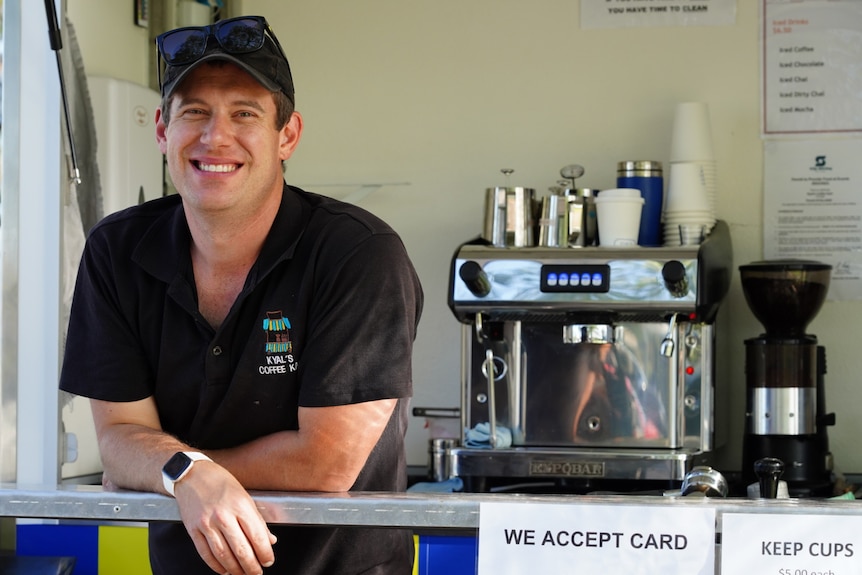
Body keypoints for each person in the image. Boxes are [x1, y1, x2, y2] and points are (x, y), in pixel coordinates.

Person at [59, 15, 423, 575]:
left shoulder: (358, 254)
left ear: (288, 136)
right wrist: (185, 474)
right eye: (195, 112)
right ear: (162, 130)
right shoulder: (117, 251)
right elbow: (119, 439)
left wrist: (180, 469)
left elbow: (326, 462)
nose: (215, 137)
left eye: (244, 113)